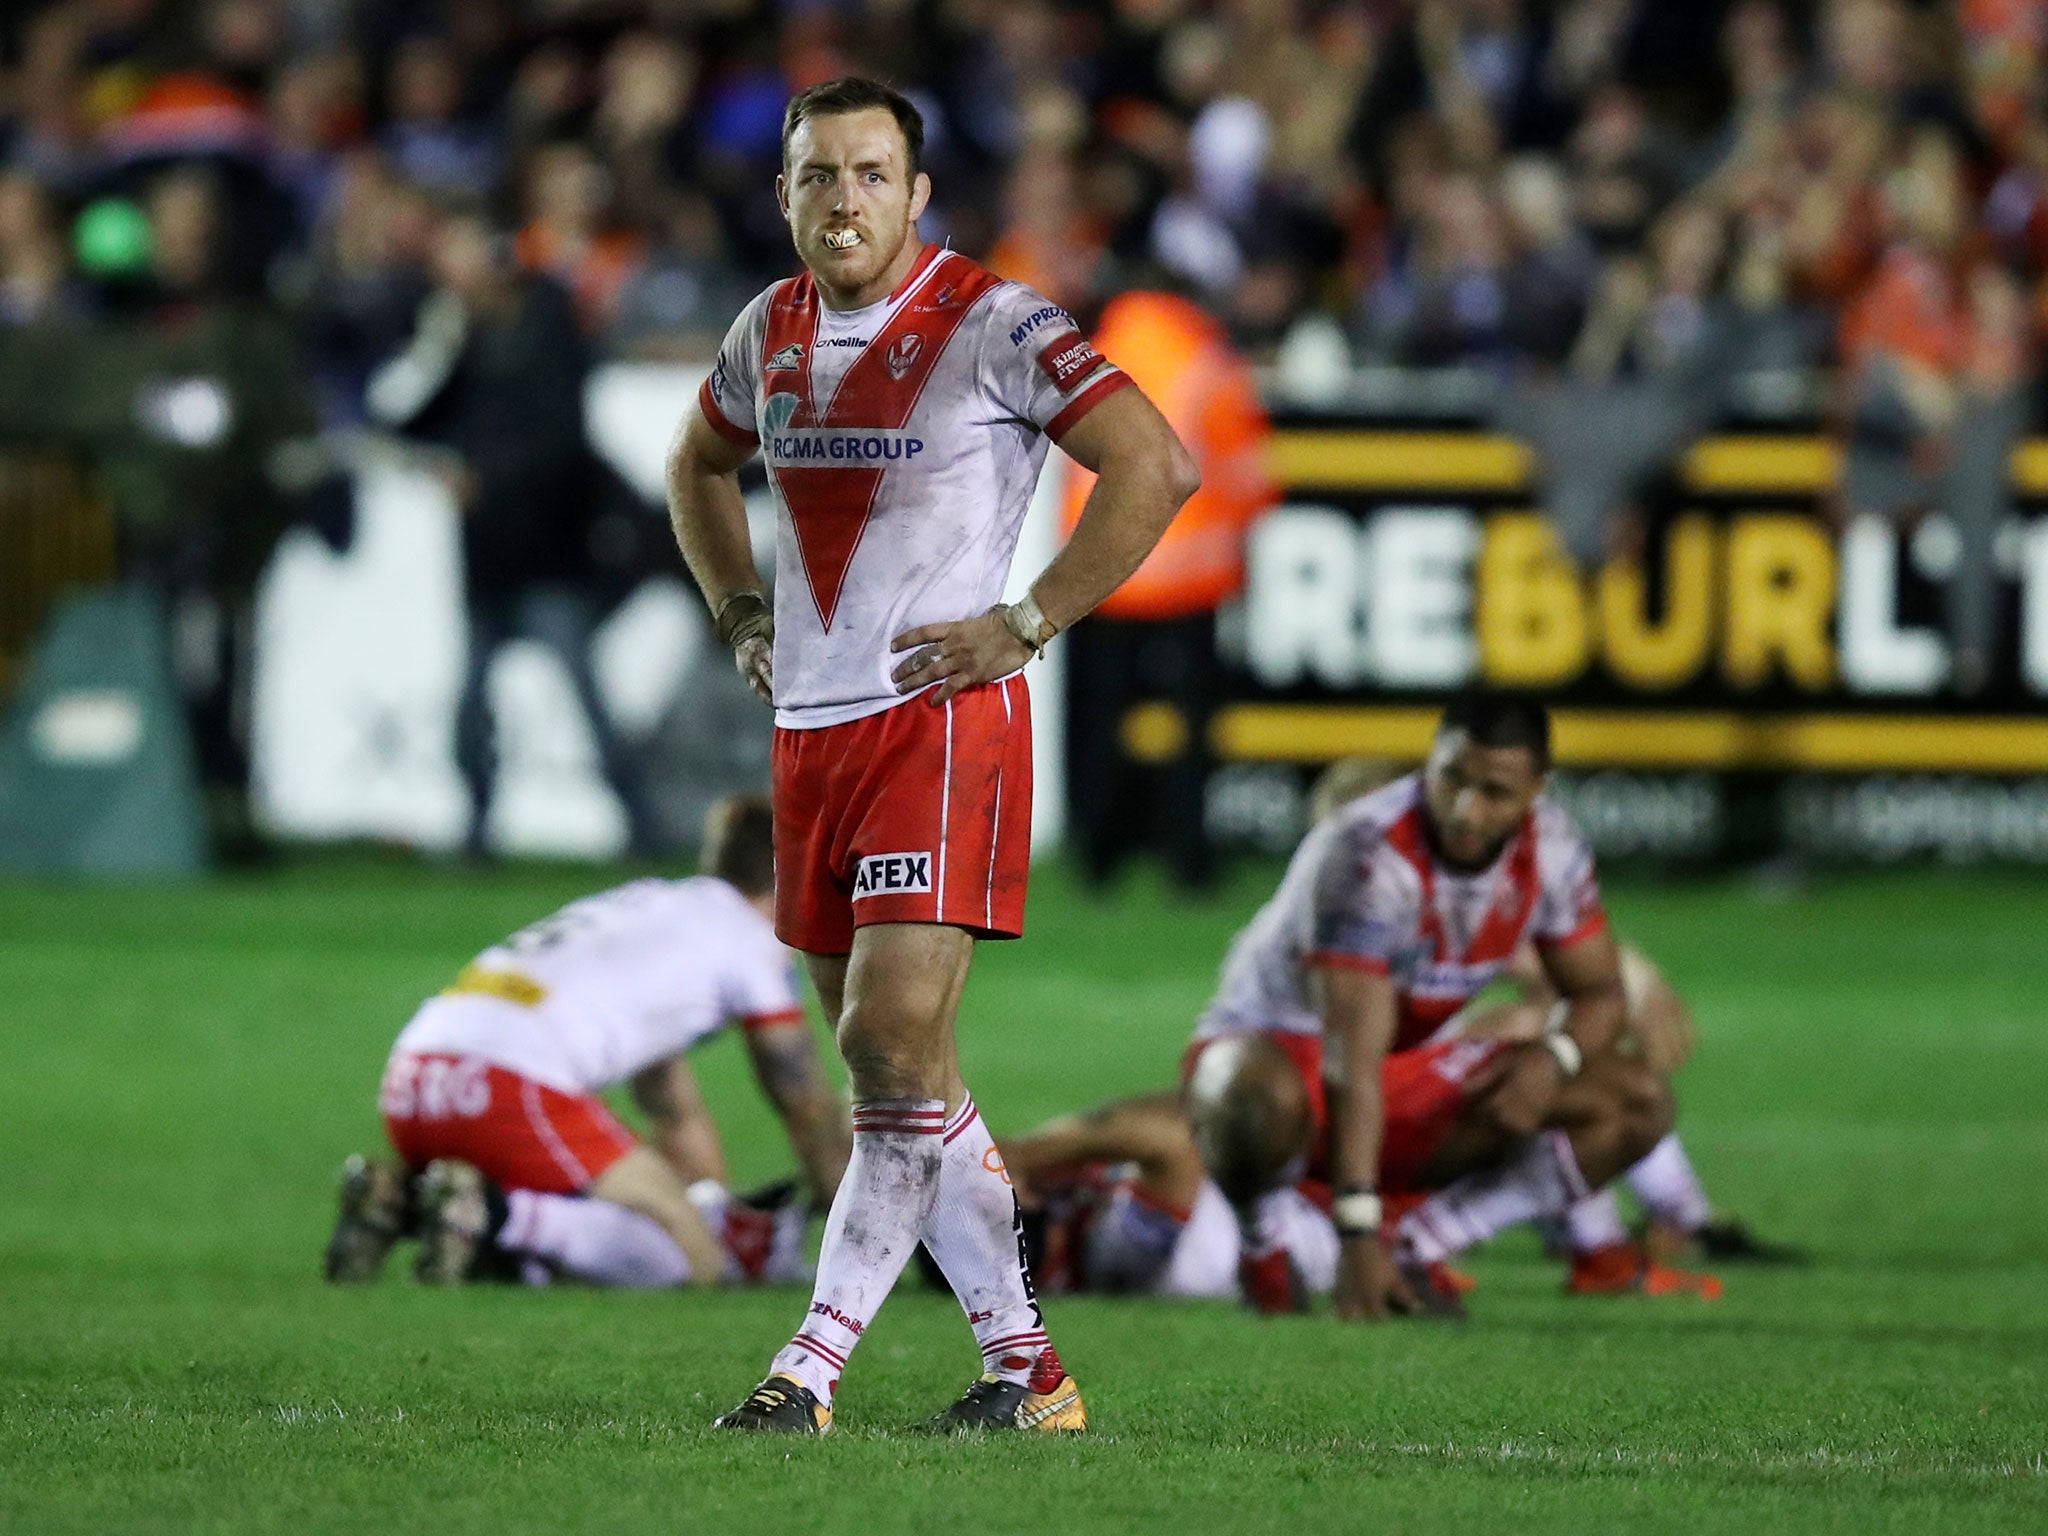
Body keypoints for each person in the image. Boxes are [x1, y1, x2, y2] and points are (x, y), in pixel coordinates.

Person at [667, 77, 1199, 1435]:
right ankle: (1030, 1376)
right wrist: (739, 610)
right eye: (815, 176)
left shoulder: (996, 321)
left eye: (867, 173)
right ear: (784, 195)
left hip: (942, 727)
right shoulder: (766, 331)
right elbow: (695, 468)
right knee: (901, 1081)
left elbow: (1154, 464)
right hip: (813, 739)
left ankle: (810, 1368)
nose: (841, 198)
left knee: (888, 1037)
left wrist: (1026, 623)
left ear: (916, 195)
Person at [1181, 694, 1673, 1320]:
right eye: (1453, 779)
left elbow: (1600, 994)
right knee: (1246, 1092)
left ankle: (1420, 1247)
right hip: (1290, 1065)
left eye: (1494, 791)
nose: (1467, 809)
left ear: (1536, 790)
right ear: (1429, 765)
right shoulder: (1368, 851)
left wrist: (1555, 1056)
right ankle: (1265, 1248)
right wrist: (1356, 1231)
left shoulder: (1551, 849)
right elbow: (1348, 1057)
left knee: (1637, 1099)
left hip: (1395, 1070)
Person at [324, 795, 848, 1290]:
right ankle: (493, 1214)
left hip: (411, 1078)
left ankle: (401, 1200)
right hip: (507, 1084)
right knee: (695, 1258)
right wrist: (854, 1227)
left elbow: (666, 1097)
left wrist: (701, 1195)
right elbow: (799, 1096)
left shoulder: (652, 902)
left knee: (658, 1213)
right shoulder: (750, 938)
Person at [365, 201, 660, 859]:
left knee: (582, 692)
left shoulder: (547, 326)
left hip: (549, 551)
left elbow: (559, 439)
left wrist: (479, 477)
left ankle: (641, 823)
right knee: (473, 702)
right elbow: (410, 418)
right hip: (488, 558)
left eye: (462, 252)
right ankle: (476, 828)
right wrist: (429, 359)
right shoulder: (463, 336)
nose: (452, 268)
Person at [1058, 283, 1278, 890]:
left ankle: (1097, 854)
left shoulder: (1087, 355)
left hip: (1103, 573)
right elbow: (1252, 475)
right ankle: (1189, 858)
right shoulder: (1209, 364)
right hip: (1190, 577)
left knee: (1099, 718)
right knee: (1192, 725)